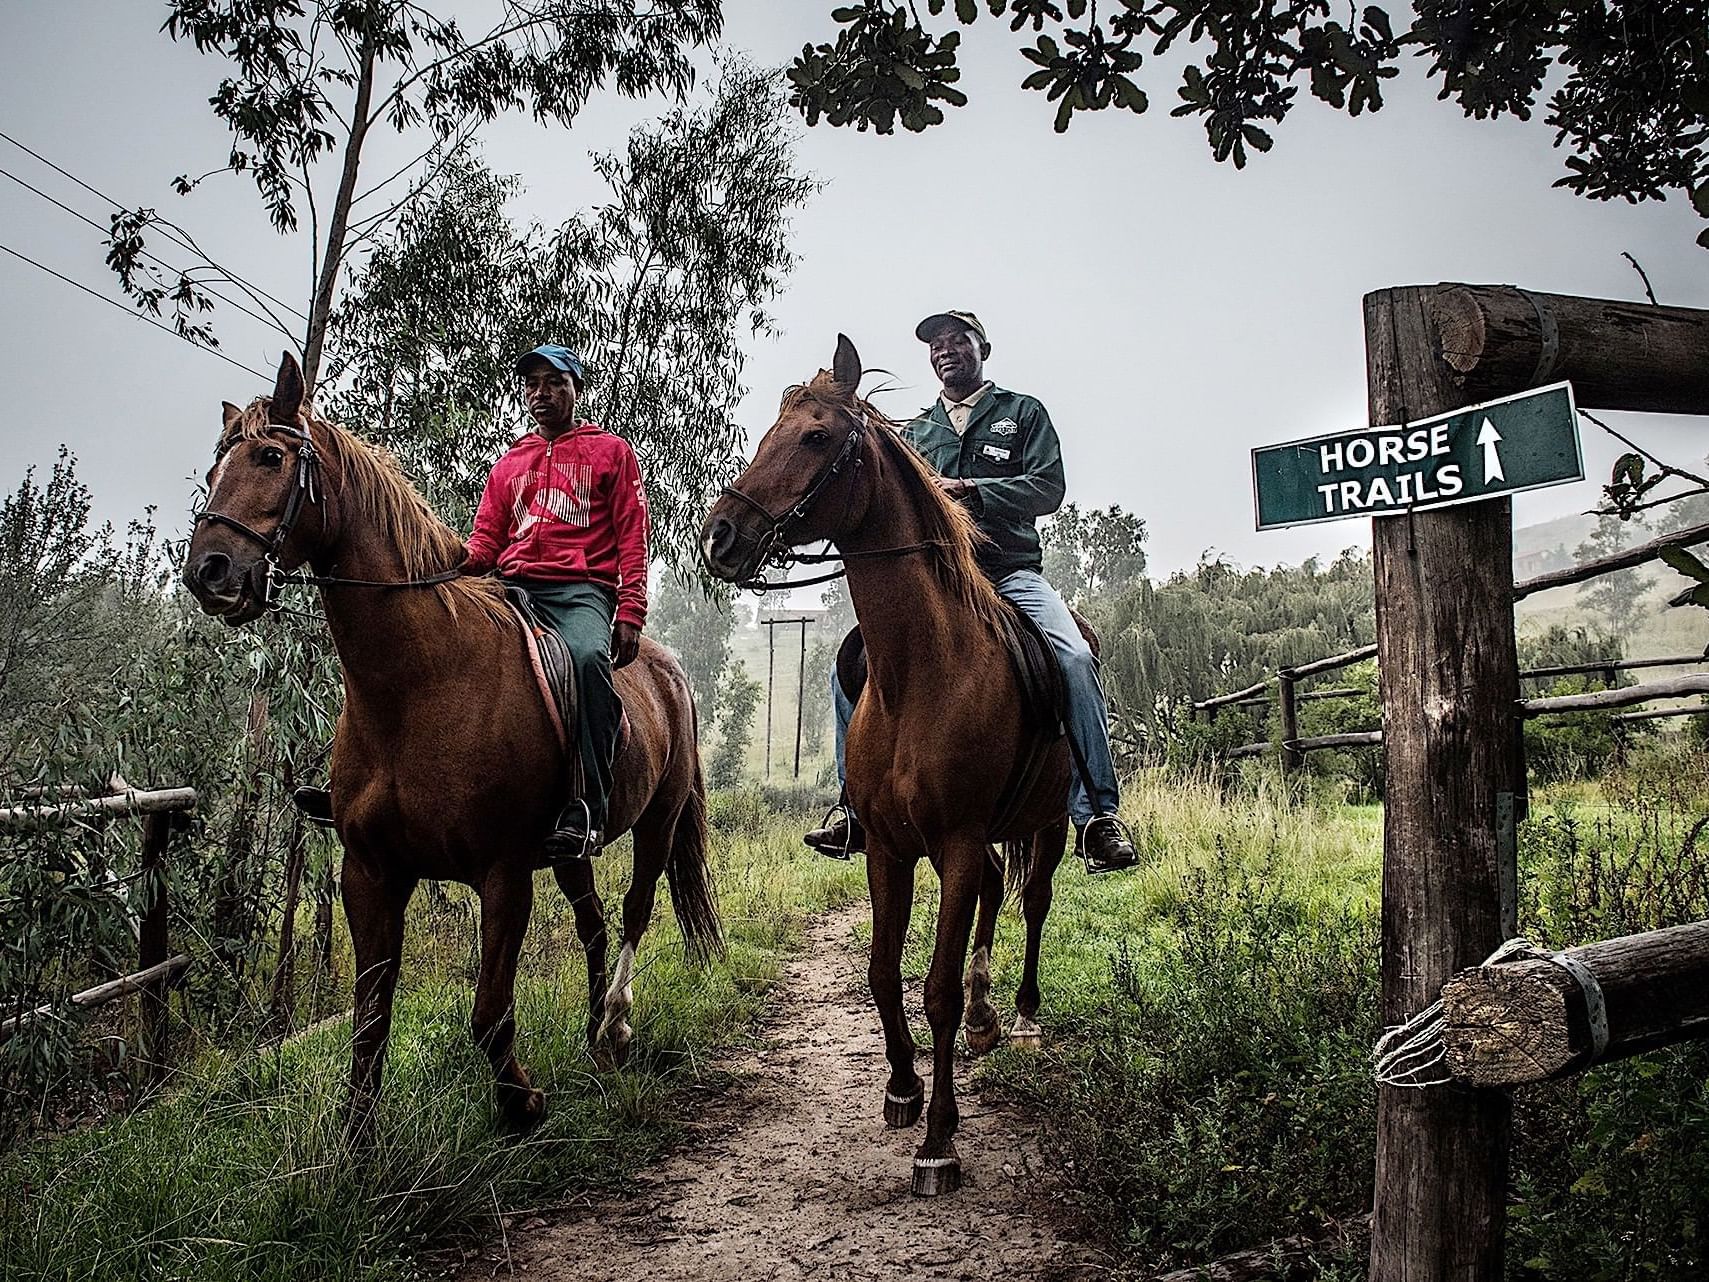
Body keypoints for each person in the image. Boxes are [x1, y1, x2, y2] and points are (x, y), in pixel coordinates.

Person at [804, 311, 1139, 874]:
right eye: (936, 345)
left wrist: (972, 491)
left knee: (1076, 657)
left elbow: (1048, 488)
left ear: (982, 348)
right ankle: (853, 809)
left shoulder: (1022, 414)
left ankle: (1098, 816)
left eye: (957, 341)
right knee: (853, 662)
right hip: (937, 586)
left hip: (1009, 575)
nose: (945, 351)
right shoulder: (918, 433)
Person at [462, 343, 651, 860]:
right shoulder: (509, 464)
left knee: (589, 659)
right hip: (507, 586)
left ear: (575, 388)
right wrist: (450, 561)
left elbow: (633, 537)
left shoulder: (611, 453)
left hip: (578, 592)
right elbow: (485, 543)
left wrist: (630, 611)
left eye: (553, 382)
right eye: (532, 384)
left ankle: (588, 804)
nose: (540, 394)